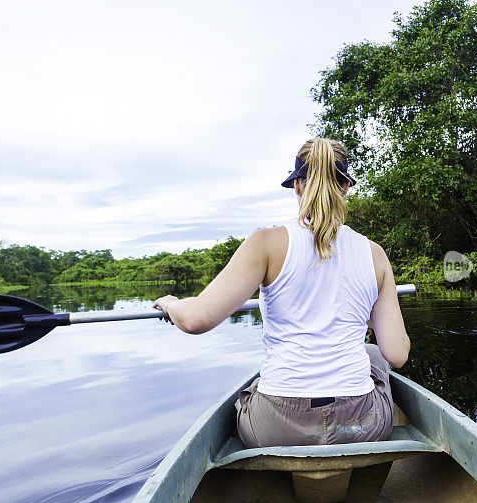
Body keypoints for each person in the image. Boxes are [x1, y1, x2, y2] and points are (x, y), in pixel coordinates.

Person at [152, 137, 411, 447]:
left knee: (258, 387)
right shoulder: (375, 254)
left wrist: (172, 303)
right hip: (360, 425)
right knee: (374, 358)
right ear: (345, 187)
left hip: (276, 429)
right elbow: (397, 354)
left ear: (298, 186)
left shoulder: (265, 243)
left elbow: (194, 320)